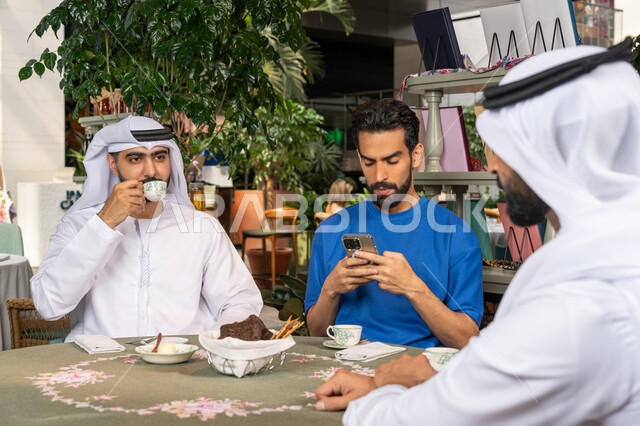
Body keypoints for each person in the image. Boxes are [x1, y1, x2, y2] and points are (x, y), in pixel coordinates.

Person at [314, 40, 640, 424]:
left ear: (540, 152)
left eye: (500, 147)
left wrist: (384, 385)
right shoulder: (611, 255)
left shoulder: (574, 297)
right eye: (369, 162)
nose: (493, 166)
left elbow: (438, 414)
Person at [31, 116, 262, 342]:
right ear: (113, 165)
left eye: (159, 157)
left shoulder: (201, 228)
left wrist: (212, 341)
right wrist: (105, 223)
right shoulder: (79, 225)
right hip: (101, 366)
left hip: (182, 366)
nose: (151, 171)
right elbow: (48, 305)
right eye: (135, 159)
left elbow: (240, 301)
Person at [305, 98, 483, 349]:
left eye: (391, 161)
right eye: (369, 162)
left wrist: (413, 288)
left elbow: (467, 340)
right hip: (343, 370)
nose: (379, 176)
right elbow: (315, 333)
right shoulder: (330, 230)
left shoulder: (456, 235)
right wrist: (331, 290)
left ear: (416, 155)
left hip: (417, 375)